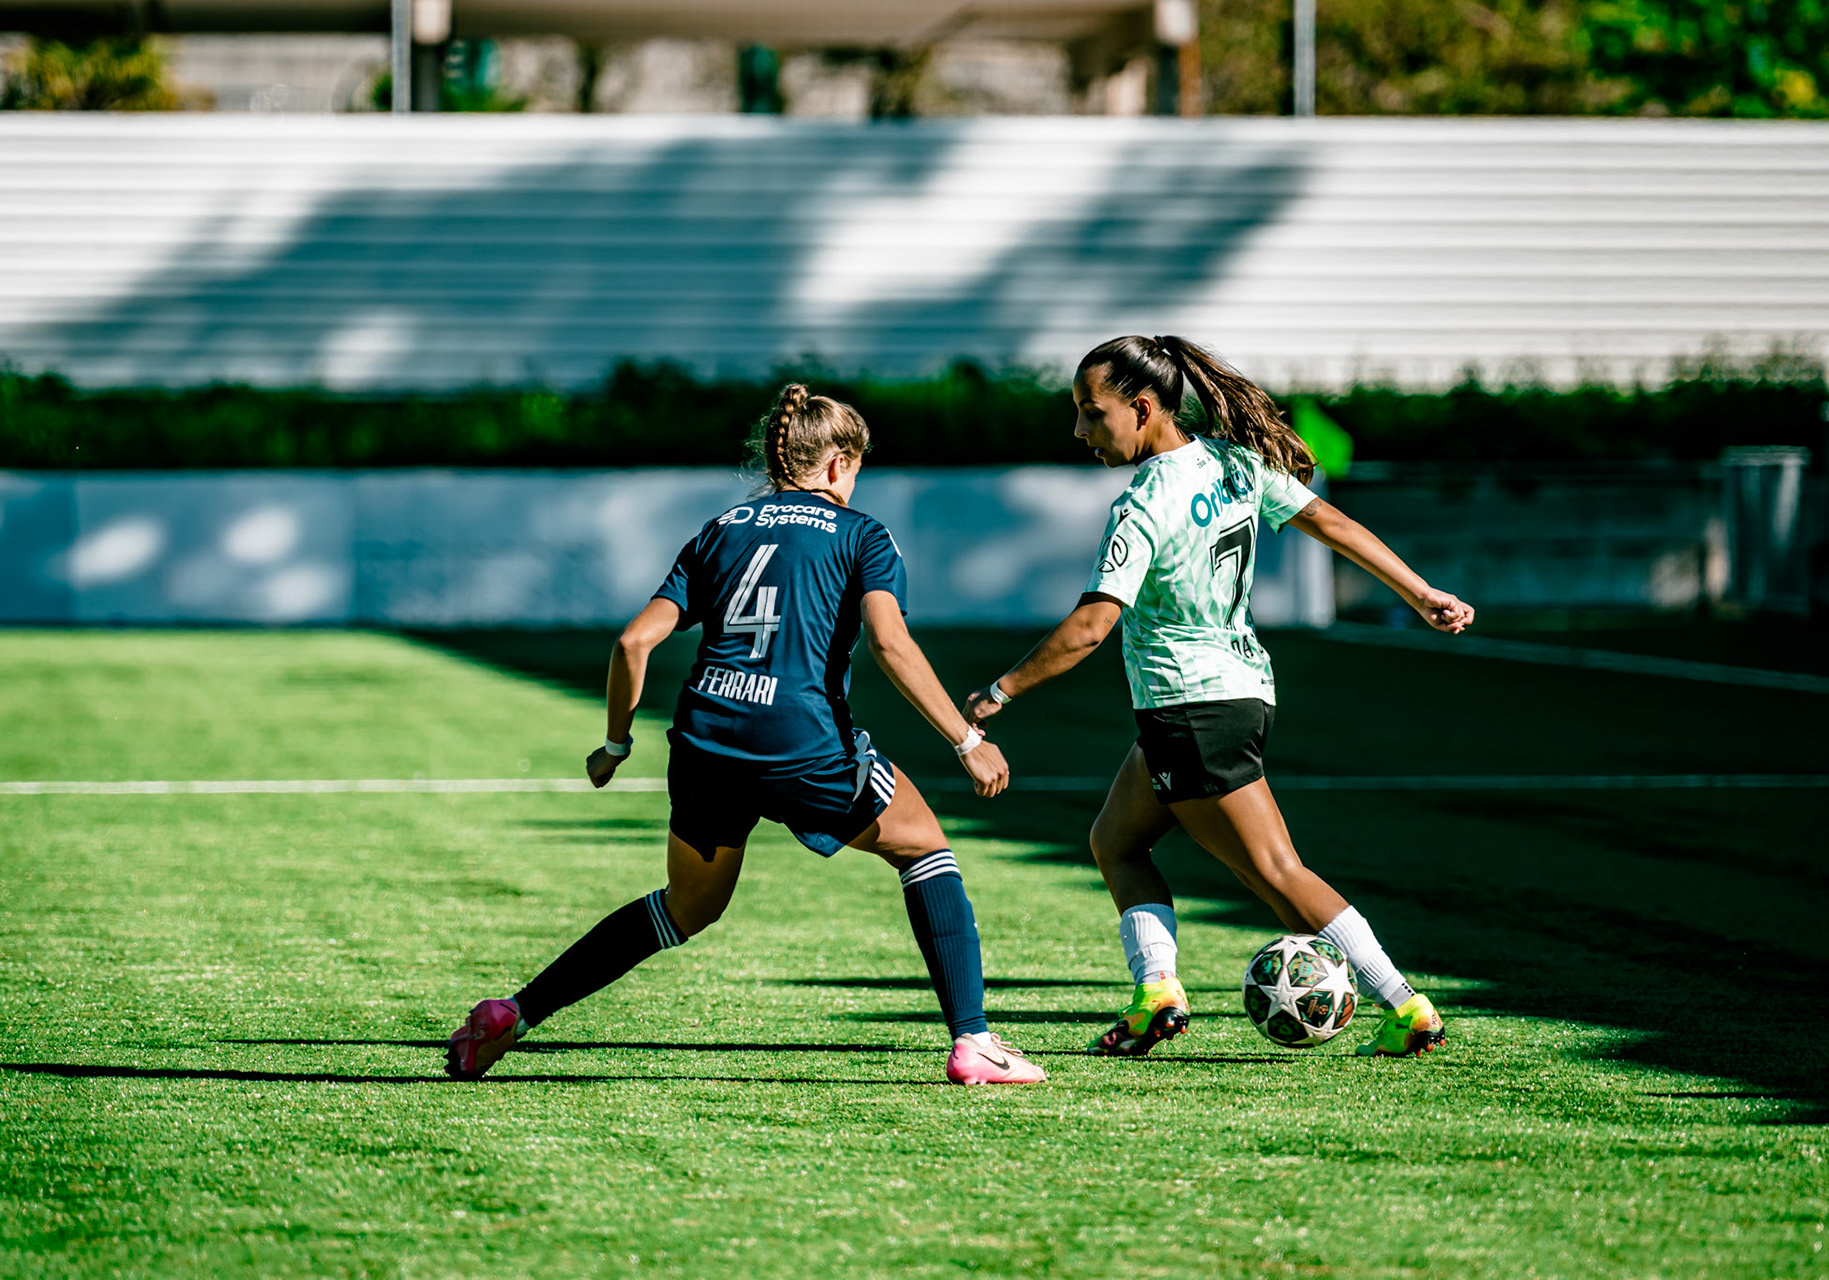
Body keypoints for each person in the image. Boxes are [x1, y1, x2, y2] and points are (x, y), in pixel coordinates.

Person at [447, 383, 1046, 1086]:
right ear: (835, 466)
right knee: (924, 849)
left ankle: (515, 1012)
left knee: (685, 907)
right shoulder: (863, 535)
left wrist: (615, 744)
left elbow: (634, 643)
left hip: (705, 743)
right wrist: (966, 740)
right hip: (801, 742)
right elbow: (891, 644)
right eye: (855, 468)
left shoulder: (722, 528)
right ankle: (973, 1040)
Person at [962, 335, 1473, 1059]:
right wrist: (1419, 592)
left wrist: (1000, 690)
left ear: (1142, 408)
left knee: (1275, 870)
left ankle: (1403, 1002)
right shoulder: (1235, 465)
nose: (1080, 430)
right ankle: (1156, 994)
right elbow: (1332, 521)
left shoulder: (1144, 502)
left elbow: (1090, 627)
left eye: (1090, 413)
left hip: (1189, 708)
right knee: (1116, 840)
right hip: (1238, 693)